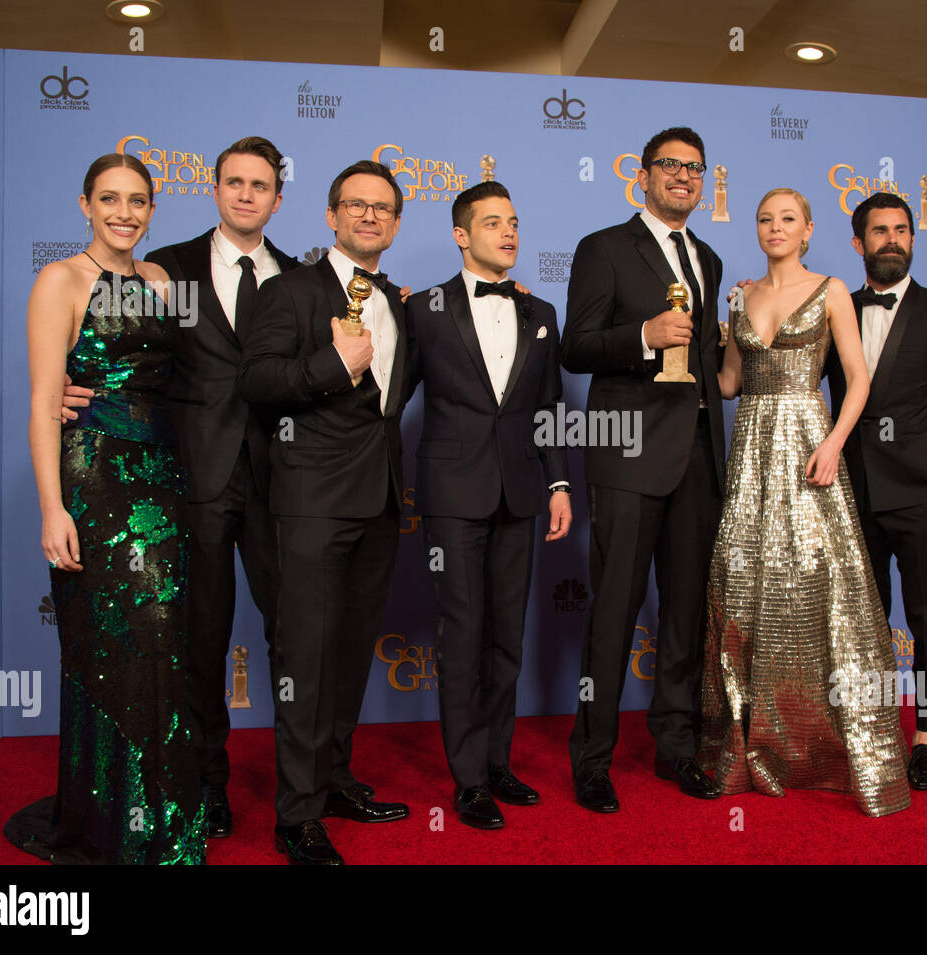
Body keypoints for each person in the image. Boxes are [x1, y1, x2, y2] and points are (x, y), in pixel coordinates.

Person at [63, 136, 298, 839]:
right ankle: (205, 786)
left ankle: (304, 792)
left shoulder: (300, 277)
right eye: (234, 181)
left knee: (293, 639)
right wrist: (81, 386)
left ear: (277, 198)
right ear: (215, 189)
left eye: (260, 185)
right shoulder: (170, 271)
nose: (246, 194)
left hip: (280, 484)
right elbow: (132, 357)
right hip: (187, 478)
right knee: (198, 642)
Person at [11, 153, 205, 863]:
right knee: (111, 641)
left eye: (139, 201)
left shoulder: (159, 280)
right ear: (85, 204)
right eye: (110, 199)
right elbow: (41, 403)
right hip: (95, 477)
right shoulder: (59, 279)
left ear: (153, 210)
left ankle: (156, 812)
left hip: (161, 475)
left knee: (162, 639)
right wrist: (51, 508)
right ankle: (109, 820)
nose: (125, 212)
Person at [698, 188, 911, 817]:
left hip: (809, 444)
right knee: (744, 588)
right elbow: (731, 383)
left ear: (809, 230)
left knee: (824, 590)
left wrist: (834, 443)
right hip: (751, 454)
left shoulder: (833, 290)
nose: (774, 228)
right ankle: (752, 745)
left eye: (787, 218)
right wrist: (686, 343)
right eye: (764, 219)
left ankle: (832, 748)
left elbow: (857, 375)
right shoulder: (741, 296)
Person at [237, 160, 411, 865]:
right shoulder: (291, 291)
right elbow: (256, 380)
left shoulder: (399, 301)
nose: (369, 217)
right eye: (355, 205)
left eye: (383, 209)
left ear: (396, 224)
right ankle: (297, 815)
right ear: (332, 216)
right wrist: (330, 366)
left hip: (379, 502)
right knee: (304, 660)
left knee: (346, 655)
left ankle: (335, 780)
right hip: (310, 502)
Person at [561, 127, 725, 812]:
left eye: (694, 168)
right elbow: (574, 347)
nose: (683, 177)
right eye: (671, 166)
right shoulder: (604, 247)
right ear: (644, 176)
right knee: (616, 610)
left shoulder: (708, 258)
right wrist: (643, 337)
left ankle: (676, 747)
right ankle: (592, 758)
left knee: (686, 611)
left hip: (696, 456)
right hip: (627, 452)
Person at [402, 181, 571, 830]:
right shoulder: (424, 309)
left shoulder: (542, 314)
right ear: (461, 234)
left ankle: (499, 763)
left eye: (515, 222)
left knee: (507, 636)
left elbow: (551, 409)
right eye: (493, 221)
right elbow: (392, 394)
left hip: (522, 492)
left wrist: (558, 485)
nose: (509, 232)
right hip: (450, 496)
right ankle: (469, 779)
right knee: (463, 636)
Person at [823, 192, 927, 791]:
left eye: (901, 230)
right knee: (860, 619)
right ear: (858, 243)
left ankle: (926, 737)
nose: (892, 240)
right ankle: (866, 726)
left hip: (919, 494)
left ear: (913, 240)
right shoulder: (834, 308)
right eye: (879, 231)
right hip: (850, 491)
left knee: (926, 617)